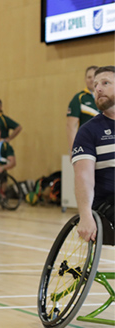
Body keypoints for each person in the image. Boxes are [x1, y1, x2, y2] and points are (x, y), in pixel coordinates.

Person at [72, 66, 115, 242]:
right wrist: (85, 215)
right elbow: (83, 176)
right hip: (107, 205)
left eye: (105, 83)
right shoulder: (89, 131)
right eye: (96, 85)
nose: (97, 88)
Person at [67, 66, 99, 150]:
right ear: (85, 79)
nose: (92, 79)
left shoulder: (108, 97)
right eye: (89, 77)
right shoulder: (79, 98)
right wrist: (73, 149)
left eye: (94, 76)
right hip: (87, 144)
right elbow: (71, 126)